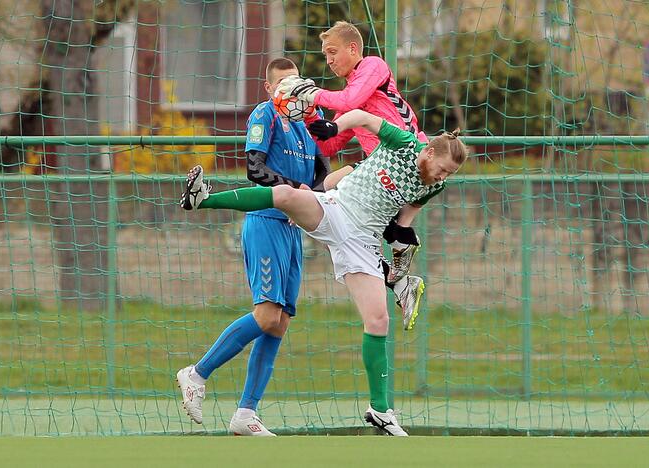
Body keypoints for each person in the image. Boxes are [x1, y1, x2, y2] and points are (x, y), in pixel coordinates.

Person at [179, 108, 468, 436]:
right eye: (442, 169)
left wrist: (400, 263)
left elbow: (403, 222)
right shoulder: (404, 144)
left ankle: (380, 410)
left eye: (448, 175)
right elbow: (363, 116)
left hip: (362, 242)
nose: (442, 177)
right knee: (287, 195)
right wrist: (334, 126)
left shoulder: (432, 187)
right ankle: (202, 199)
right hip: (335, 209)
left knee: (378, 321)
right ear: (429, 152)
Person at [175, 58, 330, 436]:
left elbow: (322, 175)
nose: (288, 91)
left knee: (279, 323)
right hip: (265, 223)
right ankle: (196, 373)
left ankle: (246, 413)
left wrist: (313, 194)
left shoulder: (309, 120)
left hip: (293, 229)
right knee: (265, 314)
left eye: (294, 84)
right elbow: (254, 169)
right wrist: (294, 192)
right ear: (268, 88)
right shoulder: (266, 114)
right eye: (281, 85)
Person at [276, 21, 427, 311]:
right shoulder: (349, 101)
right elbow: (329, 146)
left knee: (326, 198)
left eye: (332, 52)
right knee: (334, 217)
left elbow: (351, 100)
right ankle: (398, 273)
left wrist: (311, 93)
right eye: (325, 55)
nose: (329, 60)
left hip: (404, 161)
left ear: (353, 48)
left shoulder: (373, 65)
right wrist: (308, 115)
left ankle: (403, 240)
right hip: (380, 171)